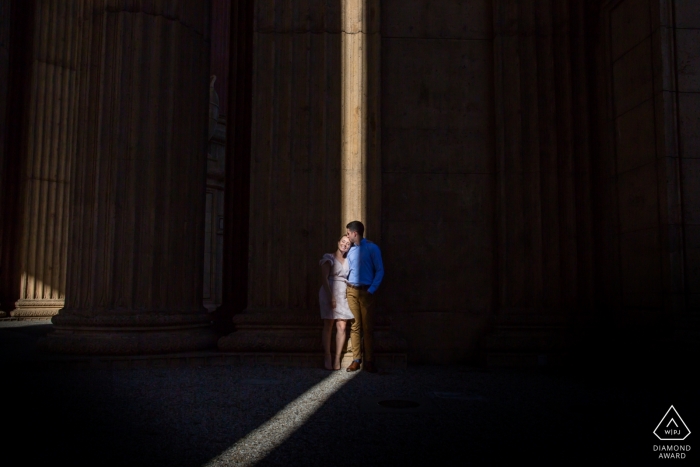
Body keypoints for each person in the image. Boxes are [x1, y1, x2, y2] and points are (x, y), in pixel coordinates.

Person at [345, 220, 384, 373]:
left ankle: (369, 361)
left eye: (348, 233)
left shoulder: (373, 248)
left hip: (367, 291)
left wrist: (372, 289)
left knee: (368, 327)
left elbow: (380, 270)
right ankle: (356, 359)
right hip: (352, 290)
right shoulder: (350, 250)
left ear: (355, 233)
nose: (347, 236)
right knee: (355, 326)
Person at [319, 235, 354, 370]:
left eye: (348, 244)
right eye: (343, 242)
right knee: (328, 324)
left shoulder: (348, 261)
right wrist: (331, 296)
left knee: (342, 326)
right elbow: (324, 278)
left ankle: (337, 357)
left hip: (342, 293)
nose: (345, 244)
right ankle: (327, 355)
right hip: (330, 292)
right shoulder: (329, 257)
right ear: (338, 242)